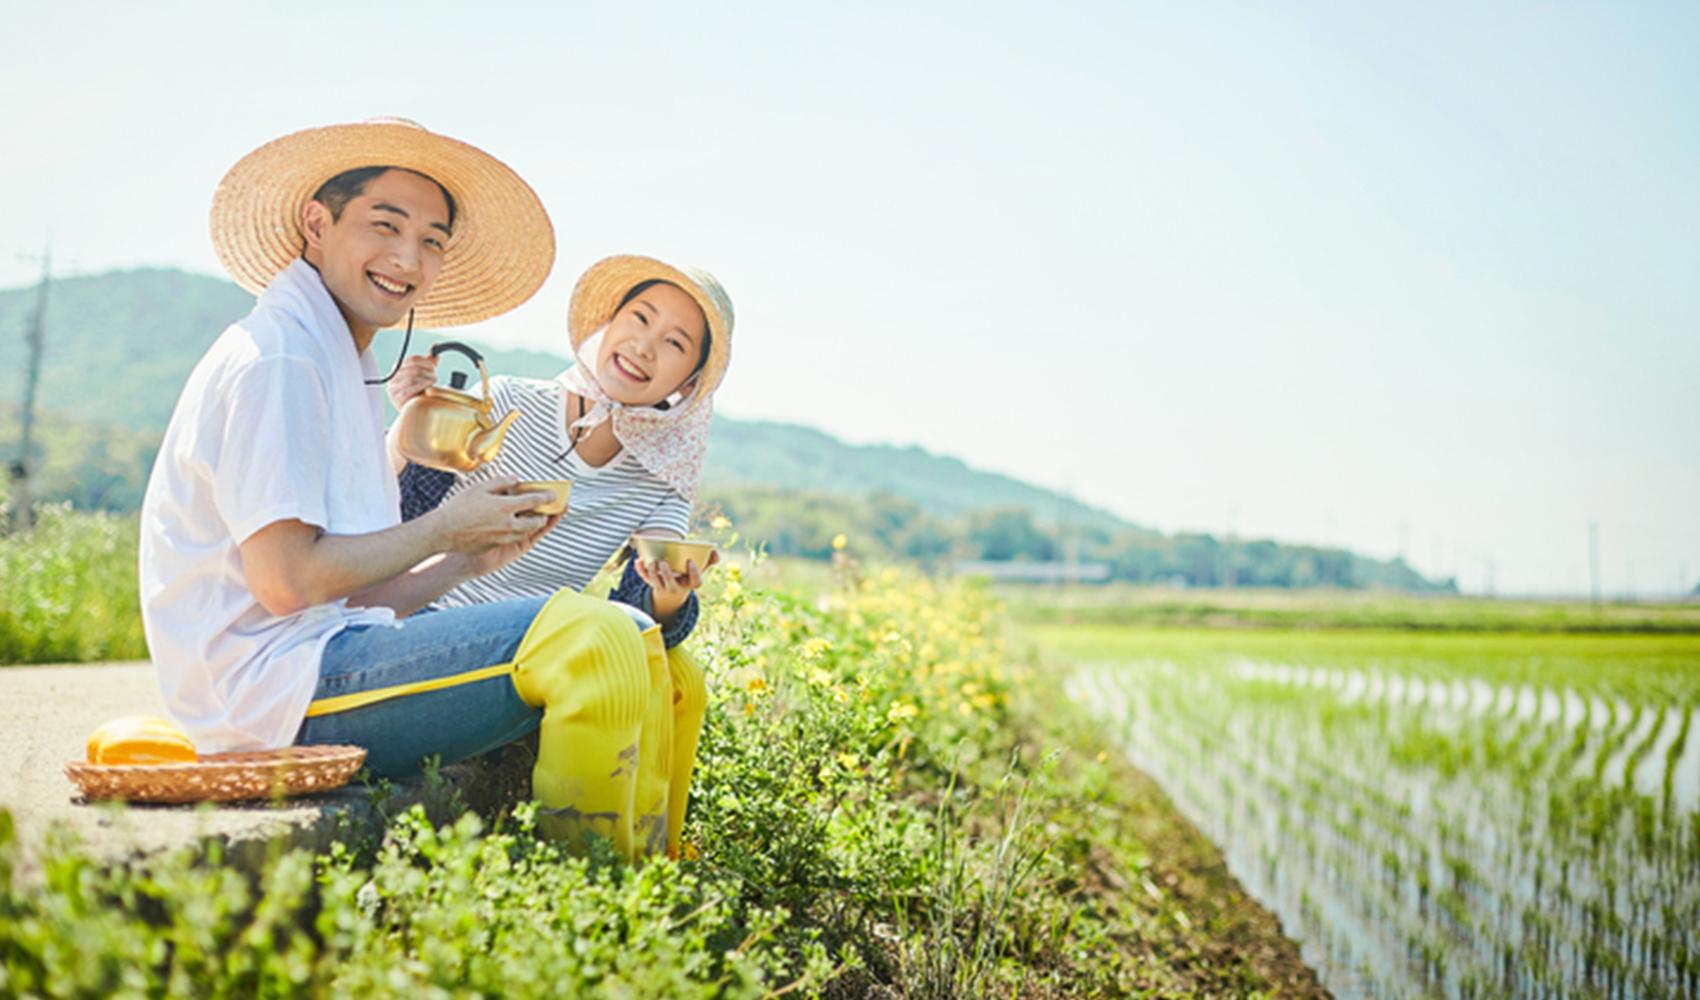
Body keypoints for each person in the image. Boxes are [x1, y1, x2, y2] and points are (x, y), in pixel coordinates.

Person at [139, 119, 680, 860]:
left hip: (309, 665)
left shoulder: (334, 357)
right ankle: (596, 900)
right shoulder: (283, 360)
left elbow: (346, 599)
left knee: (642, 640)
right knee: (598, 637)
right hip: (273, 698)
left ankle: (654, 879)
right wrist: (444, 529)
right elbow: (288, 583)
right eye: (384, 226)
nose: (408, 259)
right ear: (317, 225)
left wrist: (468, 561)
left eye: (432, 241)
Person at [385, 256, 734, 855]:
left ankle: (648, 861)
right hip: (420, 625)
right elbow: (393, 511)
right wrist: (407, 424)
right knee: (609, 646)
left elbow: (643, 611)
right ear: (608, 321)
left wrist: (670, 593)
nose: (644, 347)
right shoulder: (509, 401)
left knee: (683, 677)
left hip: (528, 650)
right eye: (639, 318)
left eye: (674, 343)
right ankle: (588, 866)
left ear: (688, 380)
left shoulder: (661, 475)